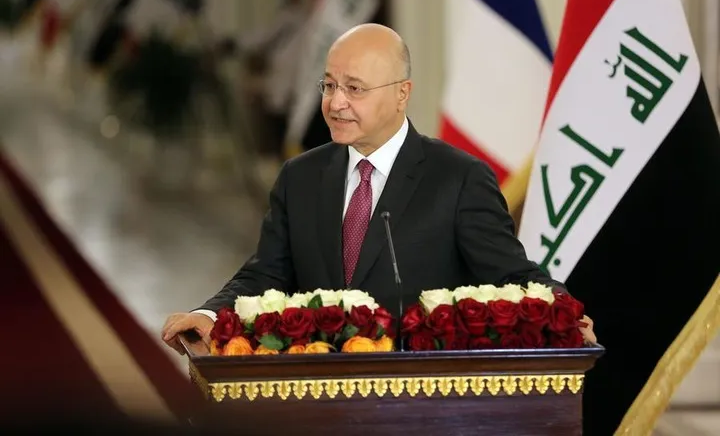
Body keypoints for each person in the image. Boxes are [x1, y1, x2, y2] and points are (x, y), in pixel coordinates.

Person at [162, 24, 596, 354]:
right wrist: (209, 313)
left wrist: (562, 311)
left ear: (402, 94)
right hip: (318, 399)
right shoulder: (300, 176)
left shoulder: (458, 178)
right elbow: (266, 274)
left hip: (422, 401)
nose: (336, 103)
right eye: (329, 85)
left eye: (354, 89)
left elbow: (510, 276)